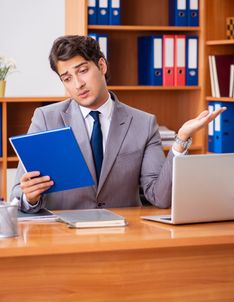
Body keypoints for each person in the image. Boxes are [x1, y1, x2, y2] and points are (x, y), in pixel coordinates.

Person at [10, 35, 225, 212]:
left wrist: (181, 140)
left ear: (101, 65)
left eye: (83, 70)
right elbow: (18, 194)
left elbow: (160, 197)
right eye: (67, 78)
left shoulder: (143, 123)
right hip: (63, 236)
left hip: (124, 233)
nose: (78, 84)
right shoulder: (46, 118)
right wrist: (30, 197)